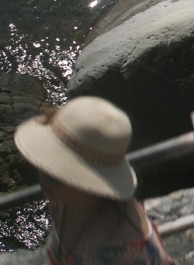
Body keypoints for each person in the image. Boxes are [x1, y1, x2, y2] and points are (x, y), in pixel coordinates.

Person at [14, 96, 176, 265]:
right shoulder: (63, 199)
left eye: (54, 176)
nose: (43, 181)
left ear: (87, 184)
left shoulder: (124, 253)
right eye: (45, 165)